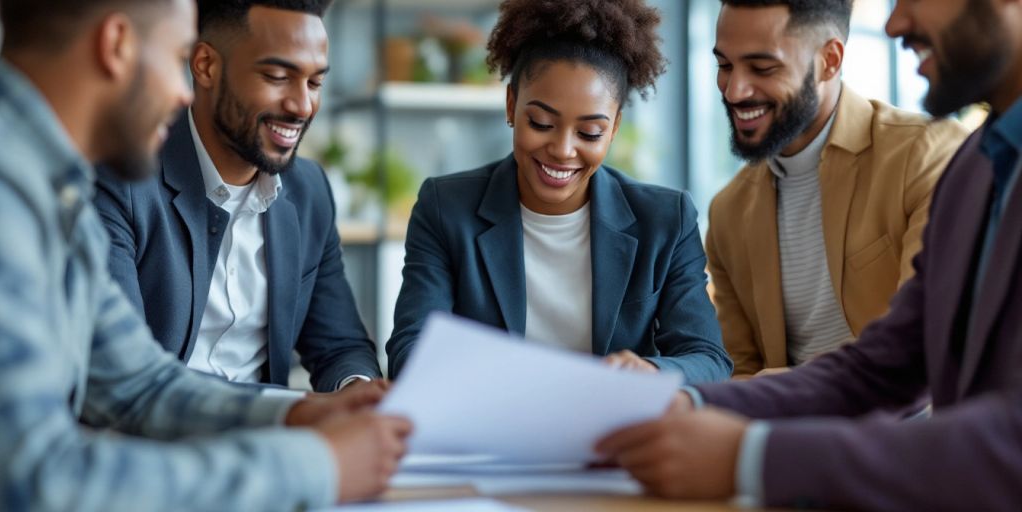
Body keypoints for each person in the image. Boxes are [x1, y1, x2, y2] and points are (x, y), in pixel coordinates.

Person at [598, 0, 1022, 509]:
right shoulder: (977, 167)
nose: (893, 24)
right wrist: (682, 400)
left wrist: (751, 456)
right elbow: (879, 369)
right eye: (725, 66)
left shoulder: (933, 155)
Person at [0, 0, 409, 509]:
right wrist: (314, 466)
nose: (180, 92)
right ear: (117, 46)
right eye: (175, 58)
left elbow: (138, 383)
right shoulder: (19, 193)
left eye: (315, 82)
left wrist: (299, 415)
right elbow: (33, 480)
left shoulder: (52, 186)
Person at [386, 0, 732, 384]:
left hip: (610, 432)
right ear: (511, 105)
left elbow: (708, 360)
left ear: (614, 128)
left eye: (590, 133)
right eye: (541, 123)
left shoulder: (666, 219)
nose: (563, 150)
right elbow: (410, 351)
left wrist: (648, 370)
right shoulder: (446, 208)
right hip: (488, 426)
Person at [93, 0, 380, 392]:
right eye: (278, 76)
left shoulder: (309, 190)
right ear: (206, 65)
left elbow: (340, 345)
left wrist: (357, 394)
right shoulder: (122, 177)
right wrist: (293, 415)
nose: (302, 106)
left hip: (267, 437)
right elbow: (124, 380)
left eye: (315, 83)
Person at [705, 0, 968, 378]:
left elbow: (925, 350)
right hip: (782, 429)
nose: (734, 91)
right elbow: (738, 370)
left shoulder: (926, 157)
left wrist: (782, 387)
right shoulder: (728, 212)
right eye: (724, 66)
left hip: (902, 429)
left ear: (829, 60)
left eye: (763, 68)